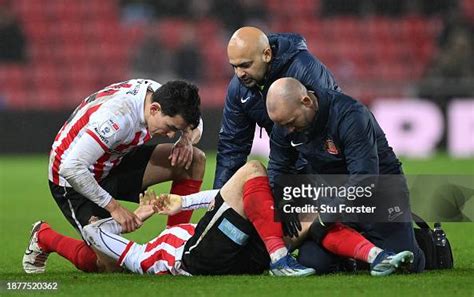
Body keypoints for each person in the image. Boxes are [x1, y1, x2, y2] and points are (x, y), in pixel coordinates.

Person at [24, 161, 413, 277]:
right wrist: (134, 215)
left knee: (310, 217)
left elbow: (234, 201)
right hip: (198, 259)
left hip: (232, 252)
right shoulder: (142, 253)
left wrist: (181, 204)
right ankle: (281, 259)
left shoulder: (183, 231)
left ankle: (376, 257)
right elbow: (98, 234)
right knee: (254, 170)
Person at [43, 79, 205, 273]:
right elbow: (71, 168)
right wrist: (114, 208)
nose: (171, 135)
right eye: (170, 127)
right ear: (154, 109)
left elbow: (196, 123)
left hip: (115, 161)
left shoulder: (162, 96)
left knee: (193, 159)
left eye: (176, 130)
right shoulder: (117, 117)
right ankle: (45, 237)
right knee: (112, 265)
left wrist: (186, 139)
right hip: (74, 179)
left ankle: (174, 246)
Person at [265, 77, 425, 273]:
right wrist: (282, 201)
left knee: (406, 263)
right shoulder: (284, 125)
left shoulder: (350, 115)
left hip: (381, 193)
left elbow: (364, 178)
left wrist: (326, 218)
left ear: (306, 102)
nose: (288, 130)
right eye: (282, 125)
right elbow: (277, 168)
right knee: (313, 262)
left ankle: (424, 243)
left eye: (291, 122)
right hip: (334, 195)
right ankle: (357, 254)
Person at [214, 26, 341, 189]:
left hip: (326, 163)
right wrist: (220, 197)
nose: (239, 74)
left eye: (245, 65)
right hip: (284, 162)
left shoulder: (305, 70)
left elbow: (329, 129)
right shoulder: (238, 89)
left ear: (266, 54)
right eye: (234, 66)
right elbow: (232, 147)